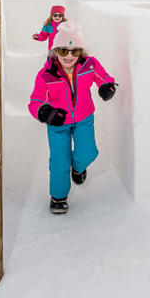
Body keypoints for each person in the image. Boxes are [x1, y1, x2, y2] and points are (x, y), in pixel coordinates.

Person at [27, 22, 117, 215]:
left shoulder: (89, 64)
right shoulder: (46, 74)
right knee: (60, 161)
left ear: (81, 52)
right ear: (54, 51)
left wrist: (106, 86)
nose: (69, 56)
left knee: (88, 152)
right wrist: (45, 112)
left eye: (74, 52)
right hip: (58, 124)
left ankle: (77, 168)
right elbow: (35, 101)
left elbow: (104, 77)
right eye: (63, 51)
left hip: (84, 118)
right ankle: (58, 197)